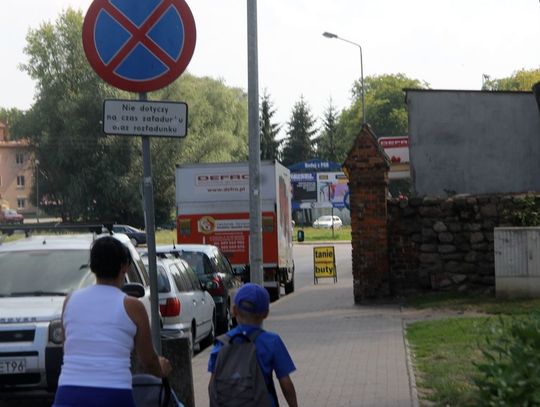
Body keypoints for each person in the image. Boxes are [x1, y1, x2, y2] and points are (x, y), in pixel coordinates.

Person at [52, 236, 172, 407]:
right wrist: (161, 369)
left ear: (93, 267)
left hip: (68, 392)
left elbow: (68, 348)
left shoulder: (70, 301)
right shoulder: (133, 307)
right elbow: (148, 361)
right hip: (113, 393)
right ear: (124, 267)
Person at [208, 283, 298, 407]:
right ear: (266, 314)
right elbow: (285, 382)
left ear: (234, 310)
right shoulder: (272, 341)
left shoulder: (222, 343)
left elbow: (212, 386)